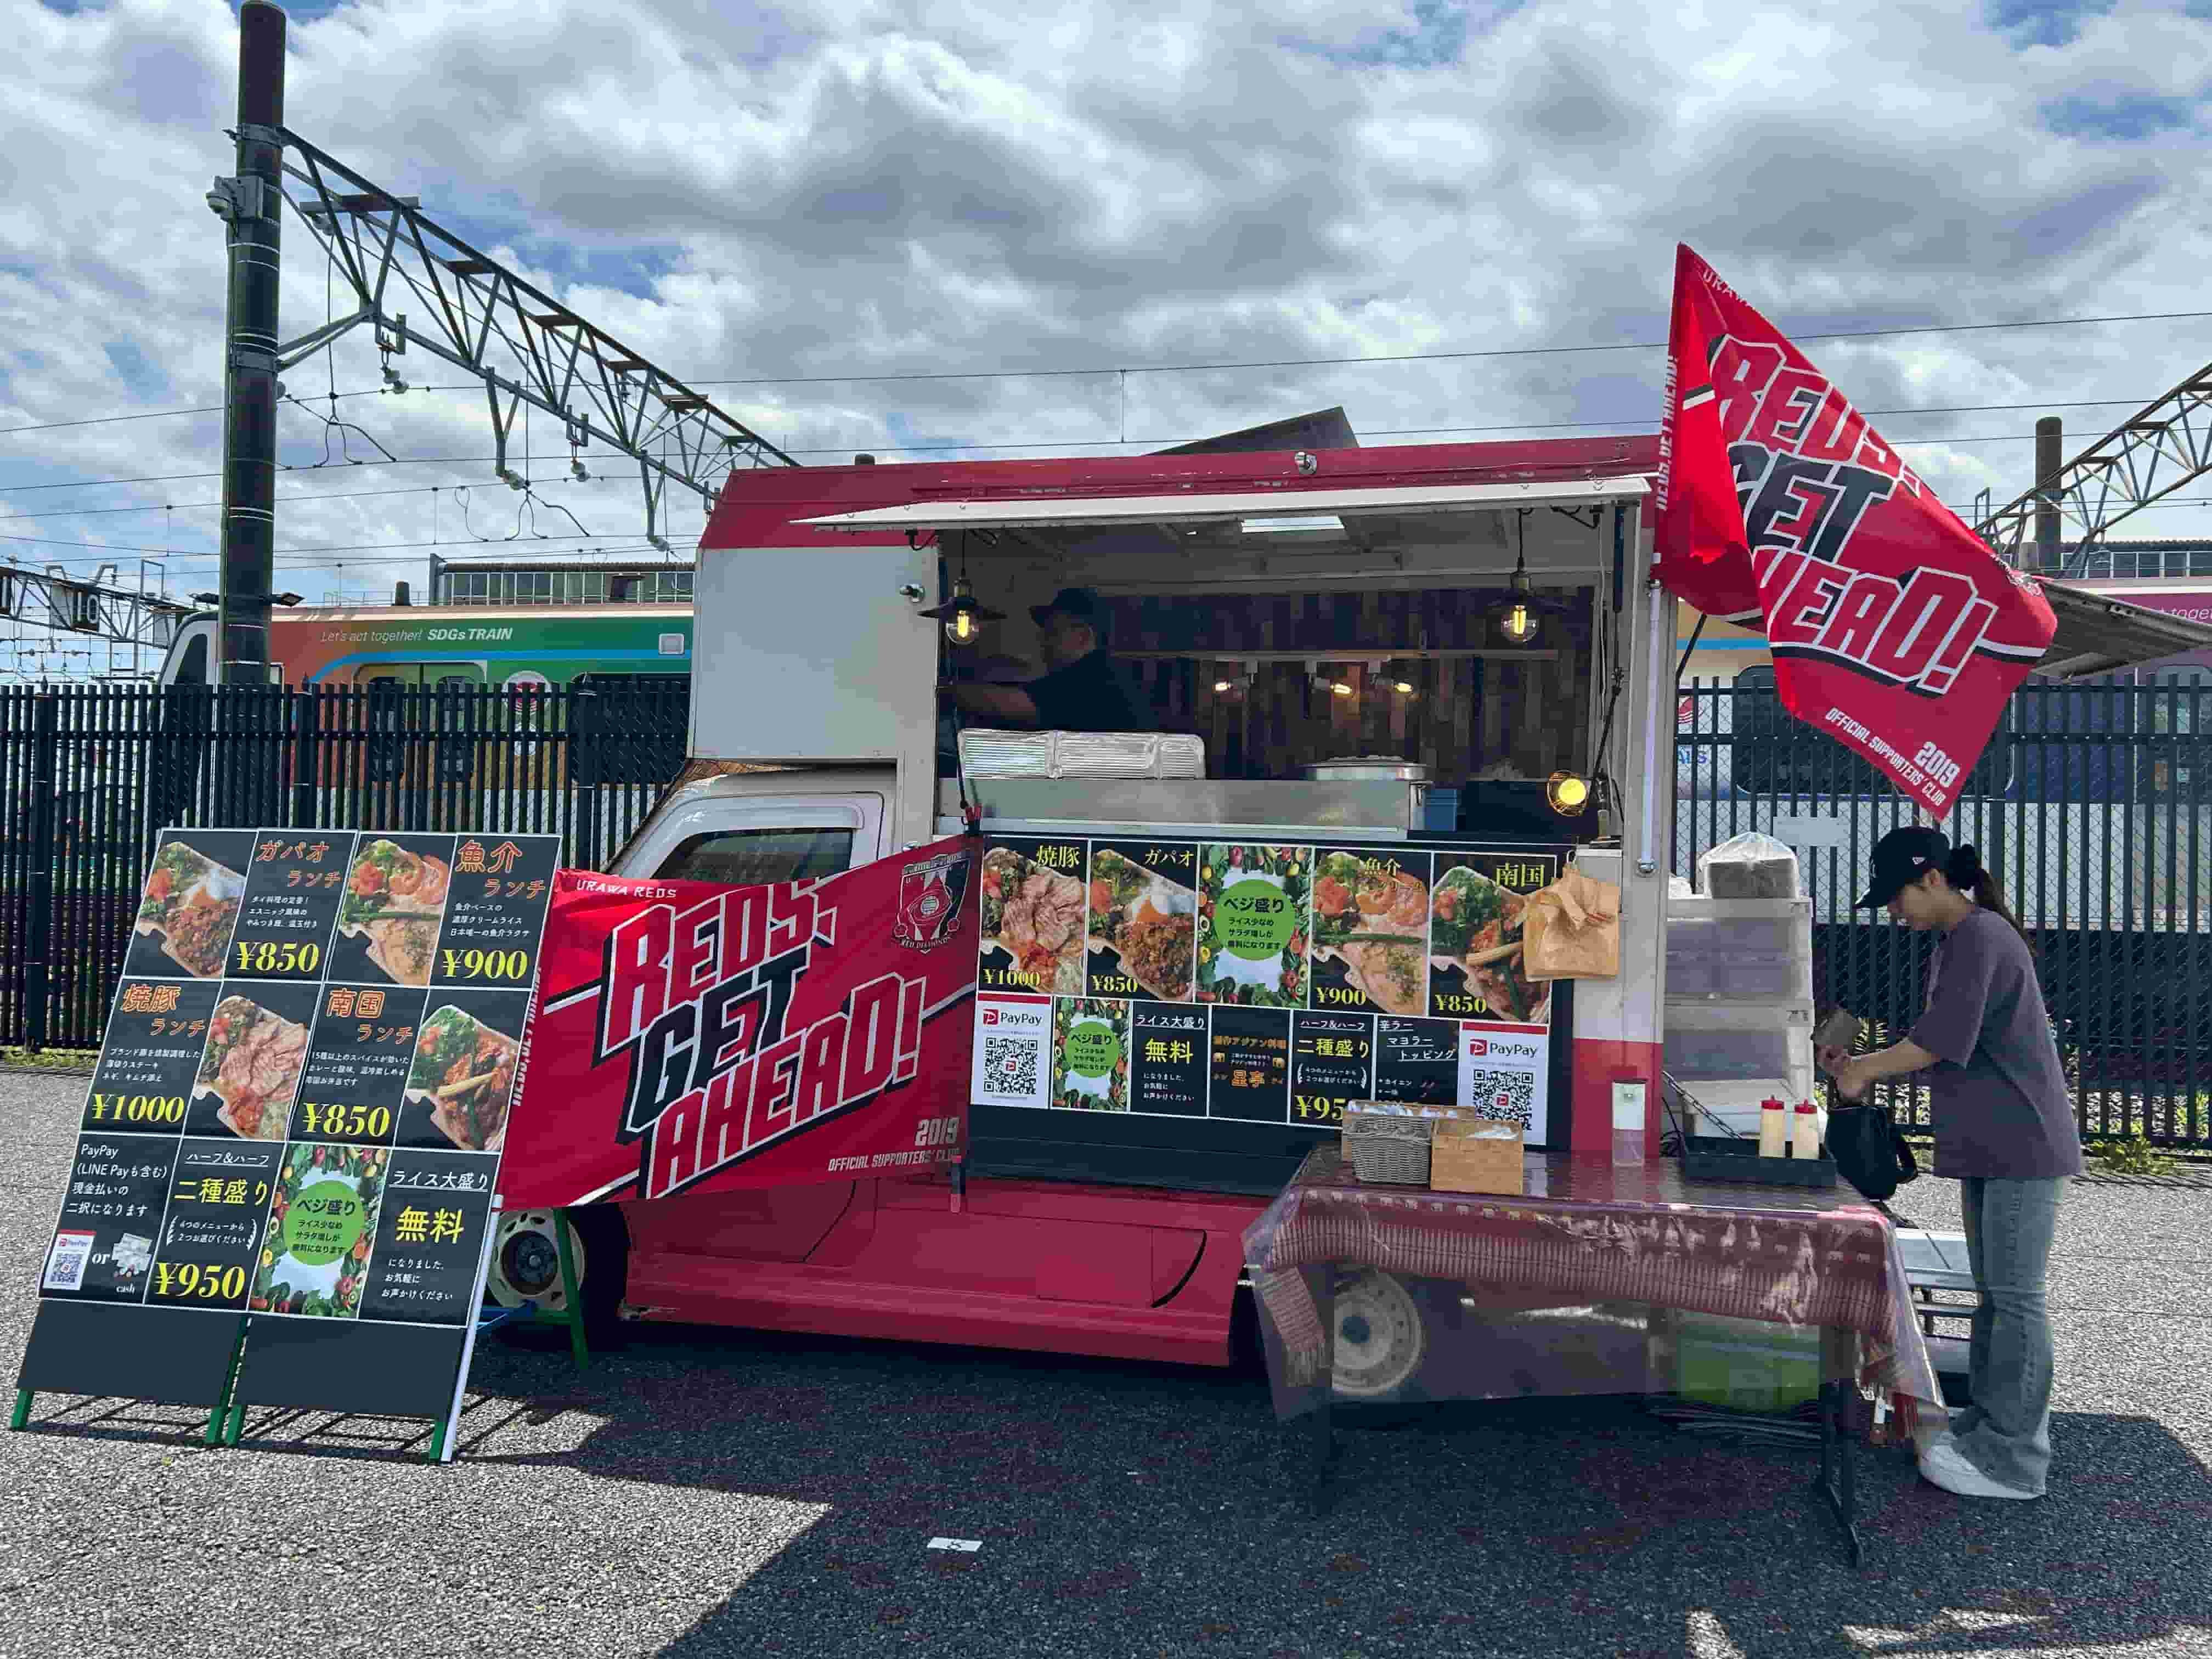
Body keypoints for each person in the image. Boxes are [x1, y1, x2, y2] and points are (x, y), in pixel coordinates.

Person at [1819, 825, 2080, 1502]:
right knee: (1997, 1296)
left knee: (2015, 1300)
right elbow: (1943, 1040)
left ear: (1932, 879)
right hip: (2000, 1142)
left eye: (1897, 895)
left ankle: (2016, 1460)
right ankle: (1989, 1427)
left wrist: (1863, 1070)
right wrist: (1865, 1061)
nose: (1893, 910)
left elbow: (1938, 1040)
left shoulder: (1978, 937)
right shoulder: (1964, 939)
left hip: (2021, 1143)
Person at [940, 587, 1154, 733]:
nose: (1043, 642)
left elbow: (1010, 705)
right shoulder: (1104, 673)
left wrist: (943, 689)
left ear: (1083, 636)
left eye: (1053, 633)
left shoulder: (1093, 677)